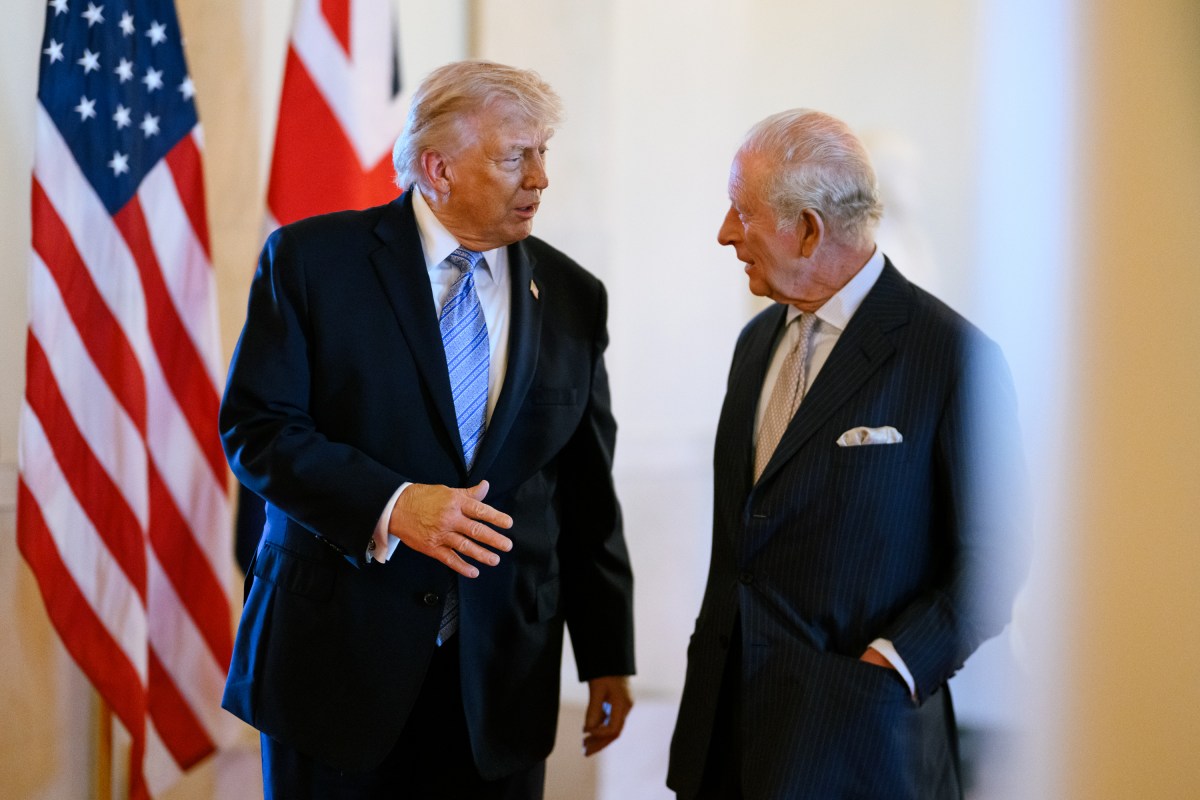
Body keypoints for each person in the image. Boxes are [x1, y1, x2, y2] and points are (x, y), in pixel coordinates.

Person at [220, 60, 635, 799]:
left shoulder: (574, 295)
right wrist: (392, 504)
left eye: (544, 153)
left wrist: (607, 653)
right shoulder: (314, 262)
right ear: (438, 169)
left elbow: (582, 489)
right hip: (335, 668)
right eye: (517, 156)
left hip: (500, 679)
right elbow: (259, 428)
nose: (540, 178)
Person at [667, 109, 1026, 799]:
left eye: (742, 212)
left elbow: (997, 554)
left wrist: (891, 667)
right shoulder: (753, 346)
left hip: (862, 750)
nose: (725, 233)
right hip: (723, 745)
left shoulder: (954, 357)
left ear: (808, 229)